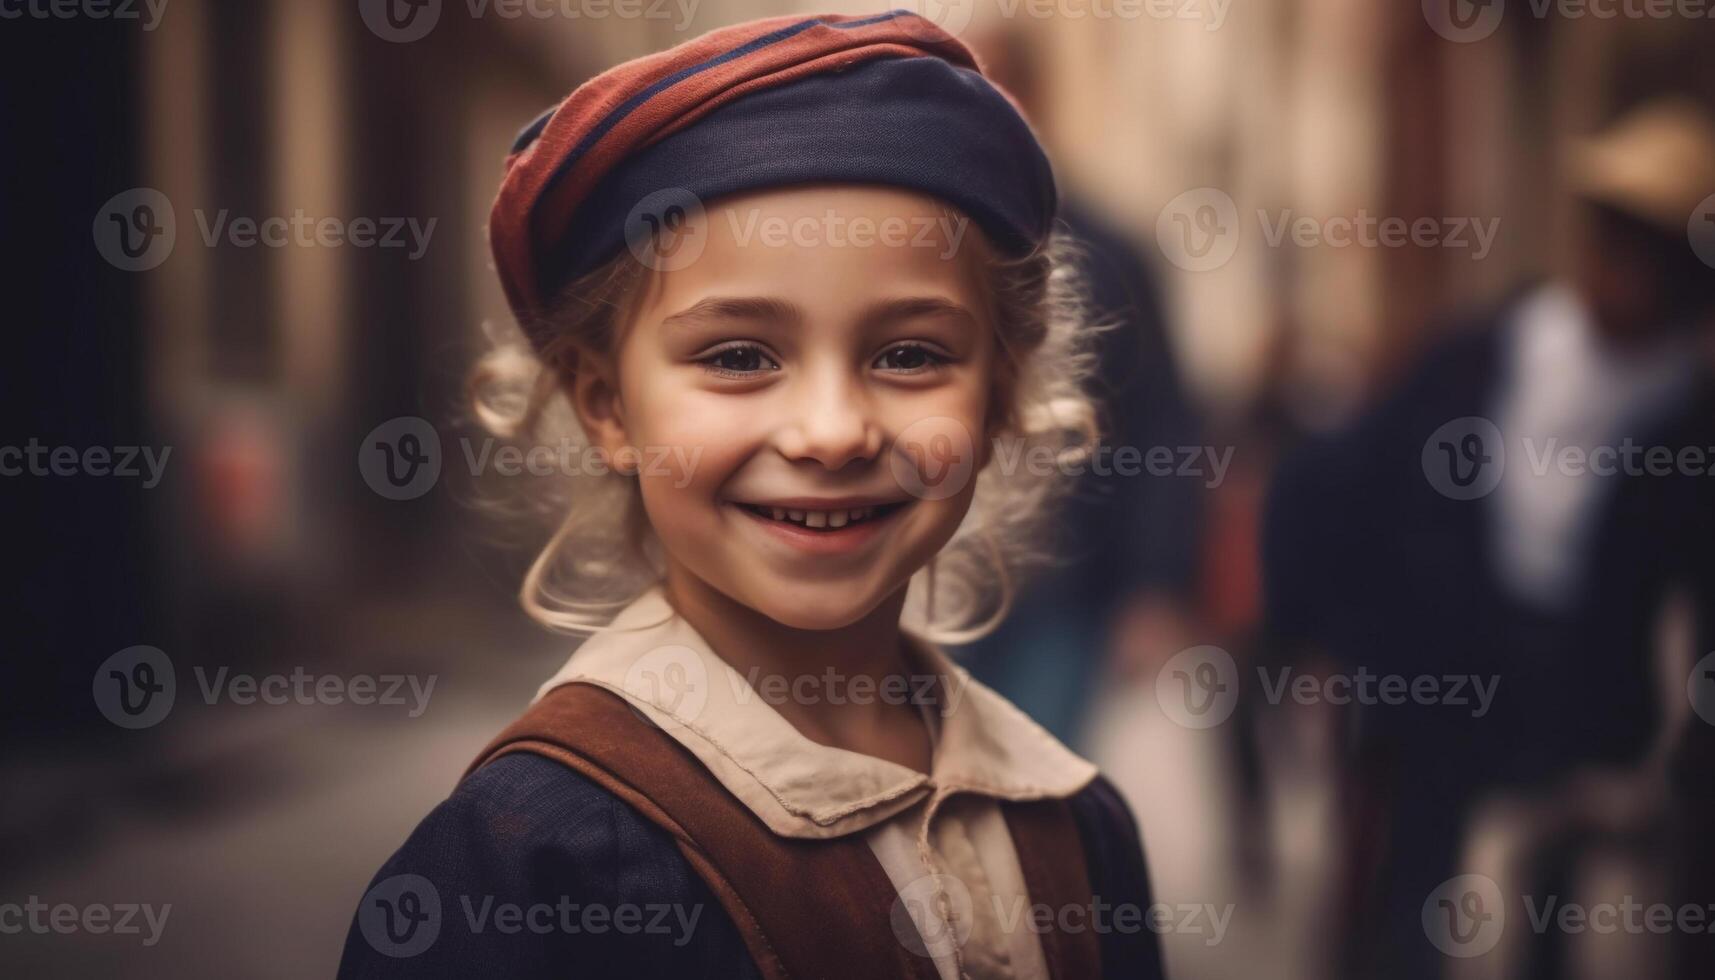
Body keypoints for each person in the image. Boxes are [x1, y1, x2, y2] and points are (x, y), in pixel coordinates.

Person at [336, 12, 1166, 979]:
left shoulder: (1076, 828)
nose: (829, 431)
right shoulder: (524, 865)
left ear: (1001, 398)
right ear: (607, 405)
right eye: (737, 356)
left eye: (909, 354)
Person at [1262, 96, 1715, 979]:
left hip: (1584, 702)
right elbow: (1333, 483)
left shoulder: (1690, 411)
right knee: (1407, 902)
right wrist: (1323, 635)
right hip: (1435, 677)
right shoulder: (1486, 350)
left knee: (1550, 909)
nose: (1616, 267)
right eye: (1609, 236)